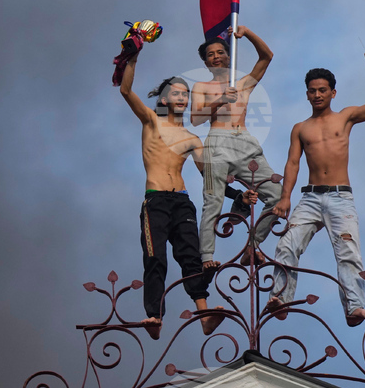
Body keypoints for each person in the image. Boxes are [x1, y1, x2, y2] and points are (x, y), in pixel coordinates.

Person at [265, 53, 365, 327]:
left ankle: (355, 307)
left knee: (348, 251)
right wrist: (285, 197)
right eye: (312, 91)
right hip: (309, 197)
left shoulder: (345, 117)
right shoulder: (301, 128)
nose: (317, 94)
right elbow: (293, 162)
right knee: (287, 244)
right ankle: (280, 299)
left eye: (323, 90)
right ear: (307, 95)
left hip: (339, 196)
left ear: (333, 93)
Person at [119, 50, 225, 339]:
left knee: (191, 257)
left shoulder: (191, 138)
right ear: (164, 99)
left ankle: (204, 317)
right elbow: (126, 90)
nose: (182, 98)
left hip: (181, 201)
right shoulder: (152, 122)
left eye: (185, 94)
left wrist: (239, 194)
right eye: (176, 93)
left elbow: (211, 176)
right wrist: (134, 57)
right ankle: (154, 317)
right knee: (156, 258)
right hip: (156, 201)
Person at [192, 26, 282, 271]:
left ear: (229, 56)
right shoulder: (202, 87)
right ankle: (207, 256)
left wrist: (248, 32)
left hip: (244, 142)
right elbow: (195, 118)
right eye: (211, 54)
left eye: (221, 52)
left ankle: (252, 245)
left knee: (277, 196)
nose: (217, 56)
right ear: (205, 61)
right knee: (213, 201)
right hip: (217, 142)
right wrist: (221, 99)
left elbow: (267, 57)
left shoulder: (243, 84)